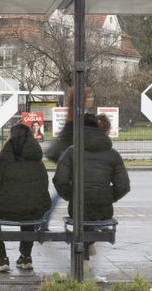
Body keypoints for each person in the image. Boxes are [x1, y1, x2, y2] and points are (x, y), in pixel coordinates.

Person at [52, 113, 130, 272]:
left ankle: (84, 259)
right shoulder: (113, 155)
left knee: (82, 216)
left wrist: (71, 196)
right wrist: (108, 197)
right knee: (93, 214)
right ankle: (89, 246)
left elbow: (59, 180)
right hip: (104, 208)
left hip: (77, 208)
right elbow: (123, 185)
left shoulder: (71, 152)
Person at [0, 123, 51, 272]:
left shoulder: (2, 159)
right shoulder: (37, 161)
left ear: (11, 138)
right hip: (34, 210)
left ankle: (1, 258)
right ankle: (26, 257)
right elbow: (43, 187)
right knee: (28, 214)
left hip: (6, 209)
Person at [43, 86, 95, 230]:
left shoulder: (75, 115)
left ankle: (44, 219)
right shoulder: (79, 118)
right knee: (70, 190)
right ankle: (91, 225)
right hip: (69, 158)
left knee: (65, 191)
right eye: (89, 96)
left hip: (68, 157)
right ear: (82, 99)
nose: (91, 99)